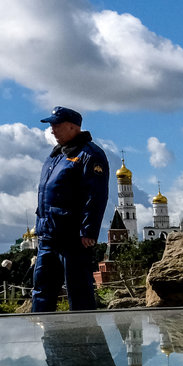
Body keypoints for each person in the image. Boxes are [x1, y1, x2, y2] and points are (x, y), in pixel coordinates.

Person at [32, 107, 109, 312]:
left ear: (73, 126)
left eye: (57, 125)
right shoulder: (54, 156)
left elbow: (97, 195)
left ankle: (85, 341)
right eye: (51, 125)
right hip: (48, 236)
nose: (52, 130)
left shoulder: (90, 155)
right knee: (41, 290)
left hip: (73, 238)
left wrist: (89, 231)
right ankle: (43, 338)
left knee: (79, 292)